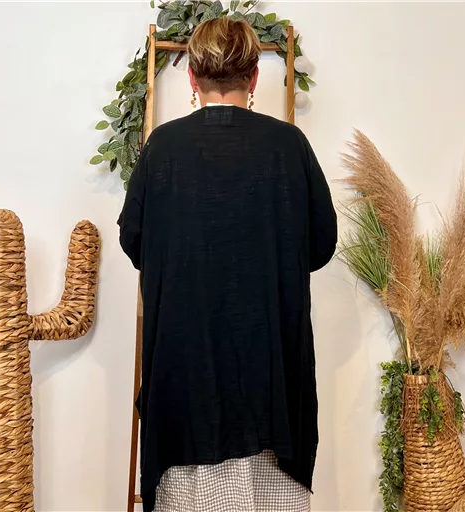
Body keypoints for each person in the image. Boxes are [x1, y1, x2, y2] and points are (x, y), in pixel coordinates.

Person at [118, 17, 337, 512]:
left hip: (186, 373)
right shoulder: (290, 147)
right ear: (254, 76)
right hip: (269, 377)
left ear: (192, 77)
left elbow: (135, 243)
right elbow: (321, 245)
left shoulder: (162, 149)